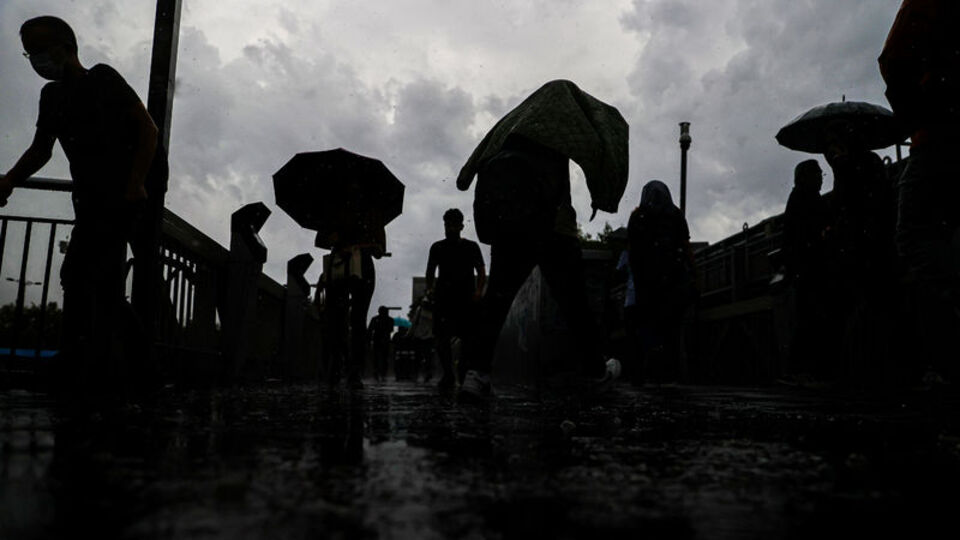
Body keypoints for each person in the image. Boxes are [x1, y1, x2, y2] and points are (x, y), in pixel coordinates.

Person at [0, 16, 163, 402]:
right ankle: (128, 370)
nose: (35, 59)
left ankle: (93, 366)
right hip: (90, 201)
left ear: (65, 46)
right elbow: (42, 149)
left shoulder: (103, 78)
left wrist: (137, 182)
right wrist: (9, 179)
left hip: (122, 198)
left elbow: (148, 130)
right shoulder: (52, 97)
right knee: (96, 283)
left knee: (82, 275)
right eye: (29, 52)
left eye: (40, 49)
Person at [459, 135, 620, 399]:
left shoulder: (507, 141)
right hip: (552, 232)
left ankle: (476, 375)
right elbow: (559, 199)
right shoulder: (557, 142)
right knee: (575, 304)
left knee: (495, 304)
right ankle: (595, 372)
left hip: (509, 232)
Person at [879, 0, 960, 385]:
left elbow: (893, 58)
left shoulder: (924, 8)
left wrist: (917, 116)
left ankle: (946, 357)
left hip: (939, 134)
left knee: (913, 233)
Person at [627, 180, 696, 383]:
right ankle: (668, 372)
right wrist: (694, 273)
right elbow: (685, 245)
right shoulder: (675, 215)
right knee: (670, 328)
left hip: (646, 282)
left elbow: (632, 250)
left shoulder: (638, 216)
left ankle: (644, 371)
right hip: (671, 280)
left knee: (646, 327)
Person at [781, 160, 836, 382]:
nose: (821, 178)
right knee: (812, 317)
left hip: (803, 266)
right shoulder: (809, 200)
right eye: (818, 174)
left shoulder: (798, 198)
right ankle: (809, 369)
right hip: (812, 265)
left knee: (806, 317)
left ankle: (801, 369)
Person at [425, 208, 486, 390]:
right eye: (447, 224)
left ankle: (461, 372)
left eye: (453, 224)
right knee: (442, 338)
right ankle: (449, 374)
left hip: (466, 299)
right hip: (444, 299)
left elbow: (481, 270)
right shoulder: (437, 247)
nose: (449, 228)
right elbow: (430, 272)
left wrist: (478, 291)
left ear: (460, 226)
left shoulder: (471, 247)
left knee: (467, 339)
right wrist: (430, 290)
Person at [368, 305, 394, 382]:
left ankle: (379, 372)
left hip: (379, 340)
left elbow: (370, 329)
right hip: (382, 340)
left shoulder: (376, 319)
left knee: (379, 357)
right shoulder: (389, 320)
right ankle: (381, 372)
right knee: (382, 358)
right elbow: (390, 329)